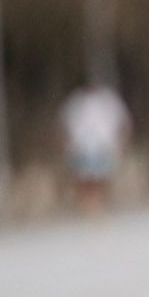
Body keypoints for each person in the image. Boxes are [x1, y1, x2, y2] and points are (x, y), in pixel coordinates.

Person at [60, 80, 132, 212]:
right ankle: (88, 207)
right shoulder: (76, 101)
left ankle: (101, 206)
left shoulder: (109, 100)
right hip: (82, 147)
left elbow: (124, 122)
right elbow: (66, 126)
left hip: (103, 145)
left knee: (102, 178)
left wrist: (120, 142)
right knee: (84, 179)